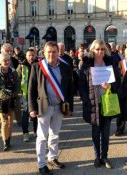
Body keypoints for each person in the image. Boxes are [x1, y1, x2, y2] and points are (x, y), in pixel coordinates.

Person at [28, 41, 73, 175]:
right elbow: (31, 89)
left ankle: (52, 157)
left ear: (58, 53)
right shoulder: (37, 67)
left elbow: (70, 88)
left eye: (54, 52)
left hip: (59, 106)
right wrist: (32, 108)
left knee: (55, 134)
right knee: (42, 137)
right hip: (43, 107)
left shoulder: (65, 67)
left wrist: (69, 107)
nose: (51, 54)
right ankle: (41, 164)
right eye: (48, 52)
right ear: (44, 52)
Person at [78, 39, 120, 169]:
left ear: (105, 50)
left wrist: (110, 85)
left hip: (107, 102)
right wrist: (86, 100)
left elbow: (117, 82)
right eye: (97, 49)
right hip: (93, 103)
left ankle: (105, 156)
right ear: (92, 50)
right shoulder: (86, 65)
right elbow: (81, 85)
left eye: (102, 49)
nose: (100, 52)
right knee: (95, 131)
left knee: (106, 132)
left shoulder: (111, 63)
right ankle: (97, 157)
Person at [0, 53, 21, 151]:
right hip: (1, 101)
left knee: (10, 121)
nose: (7, 62)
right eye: (5, 60)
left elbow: (18, 84)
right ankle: (5, 141)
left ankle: (9, 139)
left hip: (12, 99)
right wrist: (4, 95)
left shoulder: (13, 71)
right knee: (4, 121)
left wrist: (13, 94)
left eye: (8, 60)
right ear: (0, 62)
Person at [16, 49, 37, 142]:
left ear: (35, 55)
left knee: (37, 113)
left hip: (37, 93)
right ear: (26, 56)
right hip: (25, 94)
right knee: (25, 114)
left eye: (32, 55)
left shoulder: (38, 65)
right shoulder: (21, 66)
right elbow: (17, 79)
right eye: (29, 55)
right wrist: (18, 91)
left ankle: (37, 131)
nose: (31, 57)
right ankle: (25, 133)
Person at [114, 47, 127, 136]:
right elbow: (117, 78)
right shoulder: (120, 64)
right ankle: (120, 128)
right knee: (121, 113)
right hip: (122, 92)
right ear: (124, 55)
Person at [1, 43, 22, 125]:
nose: (9, 53)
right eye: (7, 51)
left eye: (11, 51)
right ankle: (5, 121)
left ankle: (19, 120)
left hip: (13, 85)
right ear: (2, 51)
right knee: (5, 105)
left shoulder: (14, 60)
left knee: (17, 104)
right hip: (3, 87)